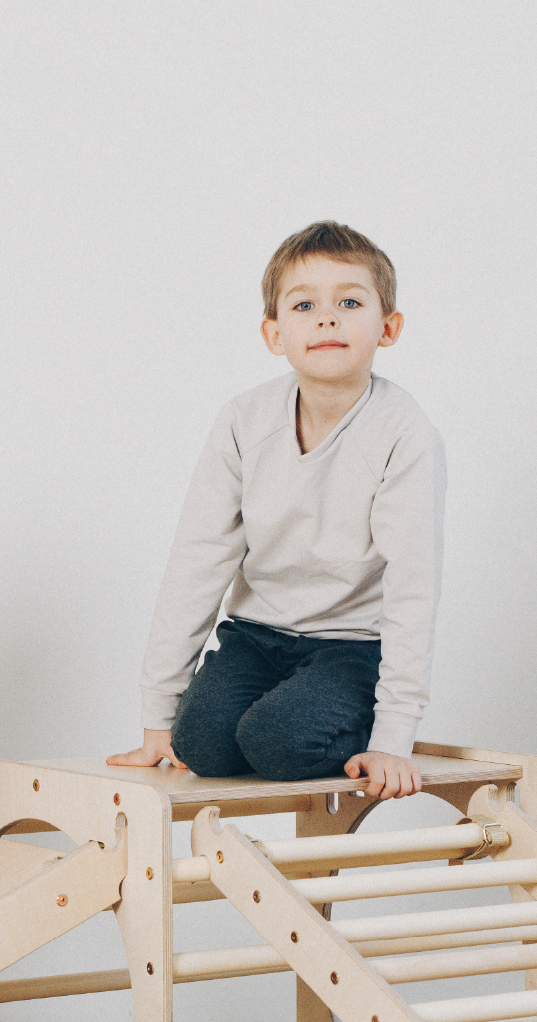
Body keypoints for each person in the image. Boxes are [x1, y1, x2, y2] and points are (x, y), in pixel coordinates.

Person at [109, 220, 446, 800]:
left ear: (387, 327)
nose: (327, 317)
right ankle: (260, 712)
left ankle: (348, 716)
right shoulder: (244, 420)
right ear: (273, 333)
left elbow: (413, 586)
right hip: (257, 638)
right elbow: (198, 560)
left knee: (278, 742)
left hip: (351, 647)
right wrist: (157, 718)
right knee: (202, 745)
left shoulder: (403, 433)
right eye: (305, 304)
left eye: (349, 301)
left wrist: (394, 737)